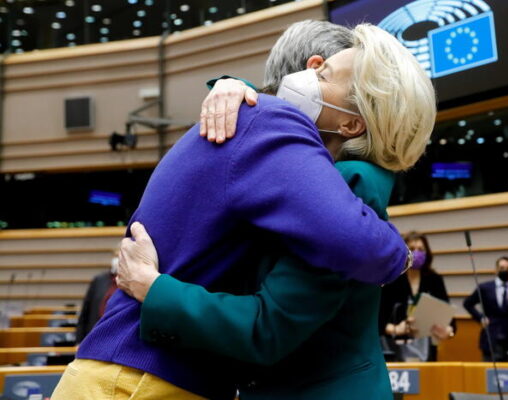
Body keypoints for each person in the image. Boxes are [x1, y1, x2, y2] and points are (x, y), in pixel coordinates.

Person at [52, 21, 435, 400]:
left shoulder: (335, 170)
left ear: (354, 123)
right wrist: (401, 256)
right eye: (316, 65)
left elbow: (344, 251)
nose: (312, 71)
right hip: (141, 374)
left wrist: (154, 289)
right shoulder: (269, 123)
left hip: (147, 374)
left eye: (327, 72)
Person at [379, 231, 455, 362]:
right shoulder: (392, 280)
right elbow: (378, 321)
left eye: (421, 249)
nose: (417, 253)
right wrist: (396, 329)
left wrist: (449, 332)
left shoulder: (434, 280)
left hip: (427, 353)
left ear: (427, 253)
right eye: (412, 249)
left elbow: (450, 322)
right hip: (395, 352)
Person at [463, 256, 508, 361]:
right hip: (490, 337)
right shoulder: (485, 288)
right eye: (502, 268)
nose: (505, 271)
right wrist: (480, 318)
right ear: (496, 270)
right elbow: (467, 303)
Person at [75, 250, 119, 343]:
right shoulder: (99, 280)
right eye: (116, 256)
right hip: (93, 335)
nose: (118, 259)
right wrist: (79, 341)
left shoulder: (131, 283)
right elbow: (85, 313)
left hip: (115, 337)